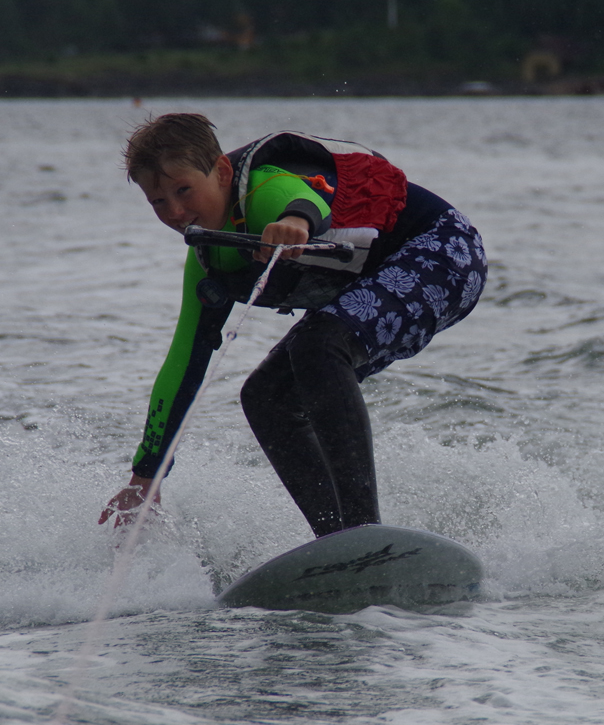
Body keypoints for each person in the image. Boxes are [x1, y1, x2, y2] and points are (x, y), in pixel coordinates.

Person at [99, 113, 487, 538]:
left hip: (445, 253)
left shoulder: (266, 190)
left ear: (222, 172)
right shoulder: (207, 261)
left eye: (184, 190)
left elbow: (306, 199)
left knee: (318, 349)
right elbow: (183, 365)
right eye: (158, 202)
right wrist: (145, 478)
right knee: (265, 396)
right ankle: (336, 541)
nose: (175, 211)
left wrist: (296, 223)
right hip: (382, 278)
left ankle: (362, 532)